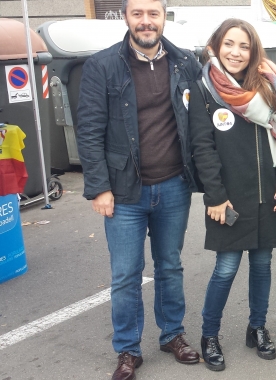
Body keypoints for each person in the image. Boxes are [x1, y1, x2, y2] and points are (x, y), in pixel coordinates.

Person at [76, 0, 203, 379]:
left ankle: (172, 335)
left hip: (174, 186)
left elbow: (205, 116)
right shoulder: (102, 66)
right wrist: (99, 187)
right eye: (138, 14)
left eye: (153, 14)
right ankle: (128, 349)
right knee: (127, 274)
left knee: (170, 266)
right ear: (126, 17)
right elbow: (89, 130)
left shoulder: (185, 63)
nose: (146, 22)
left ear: (164, 17)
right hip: (123, 191)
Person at [188, 18, 276, 371]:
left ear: (253, 52)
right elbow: (202, 148)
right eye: (229, 44)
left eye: (244, 46)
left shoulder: (269, 85)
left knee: (262, 266)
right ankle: (209, 334)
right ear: (215, 46)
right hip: (229, 199)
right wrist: (215, 197)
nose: (236, 52)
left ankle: (257, 327)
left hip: (268, 194)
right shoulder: (204, 89)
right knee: (226, 268)